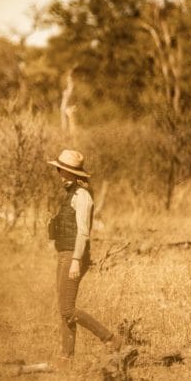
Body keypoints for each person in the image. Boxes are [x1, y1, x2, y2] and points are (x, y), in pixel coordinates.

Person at [46, 149, 123, 367]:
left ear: (72, 173)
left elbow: (83, 233)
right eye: (59, 169)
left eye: (62, 170)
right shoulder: (71, 194)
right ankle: (66, 357)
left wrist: (76, 261)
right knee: (64, 309)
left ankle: (110, 338)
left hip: (73, 255)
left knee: (68, 309)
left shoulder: (82, 197)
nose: (59, 173)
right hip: (65, 254)